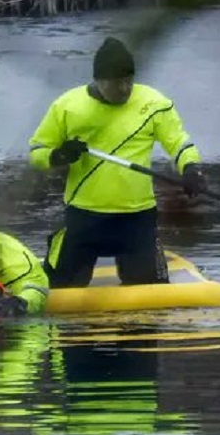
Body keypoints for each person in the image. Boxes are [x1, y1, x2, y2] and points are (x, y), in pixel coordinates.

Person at [27, 36, 208, 288]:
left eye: (129, 81)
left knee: (150, 292)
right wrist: (59, 155)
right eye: (116, 83)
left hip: (137, 218)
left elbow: (179, 143)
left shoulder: (154, 104)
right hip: (84, 218)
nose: (124, 89)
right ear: (99, 81)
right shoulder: (67, 106)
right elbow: (37, 152)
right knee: (58, 287)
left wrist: (191, 168)